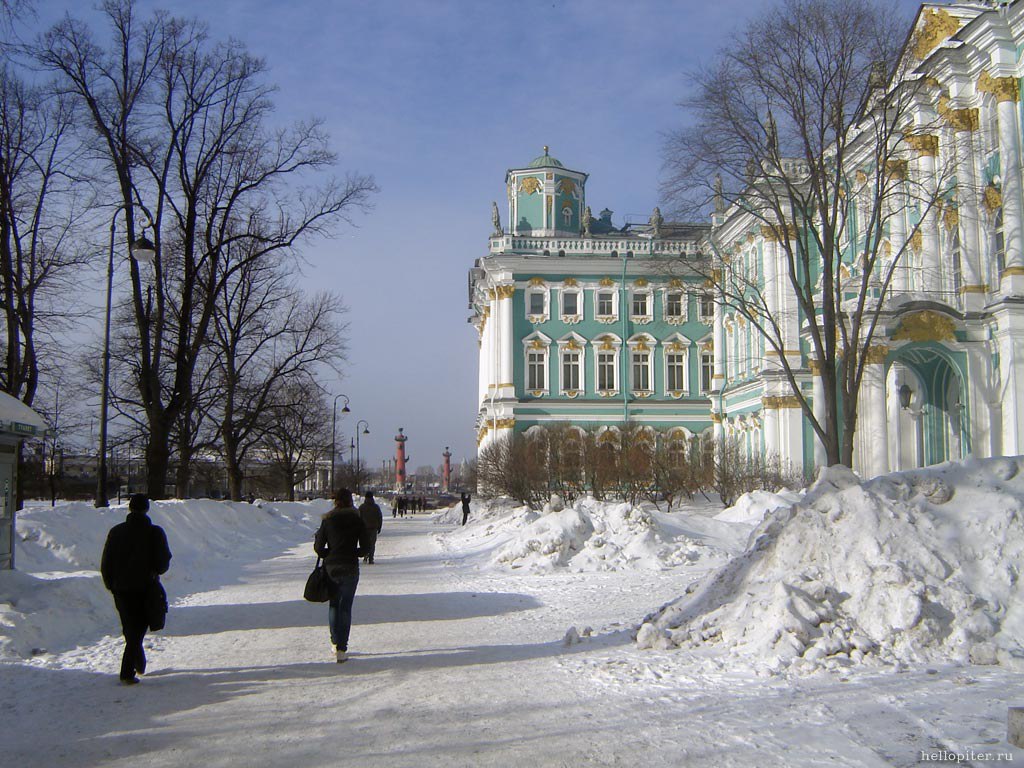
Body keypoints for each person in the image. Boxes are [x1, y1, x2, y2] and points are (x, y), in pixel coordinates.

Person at [100, 494, 172, 685]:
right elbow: (163, 564)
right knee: (138, 628)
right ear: (147, 509)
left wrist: (111, 584)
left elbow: (106, 561)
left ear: (130, 508)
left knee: (130, 628)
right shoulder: (155, 533)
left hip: (121, 588)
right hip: (145, 587)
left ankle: (137, 661)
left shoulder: (116, 532)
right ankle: (126, 671)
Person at [314, 488, 369, 663]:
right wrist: (356, 553)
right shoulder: (357, 519)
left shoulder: (328, 520)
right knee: (346, 607)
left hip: (332, 567)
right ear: (350, 501)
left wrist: (328, 554)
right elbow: (366, 546)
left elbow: (318, 547)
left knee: (334, 605)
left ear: (335, 501)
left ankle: (334, 641)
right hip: (350, 567)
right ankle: (342, 649)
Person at [358, 491, 383, 564]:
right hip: (373, 528)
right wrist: (379, 527)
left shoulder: (362, 507)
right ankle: (371, 558)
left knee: (364, 543)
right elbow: (379, 517)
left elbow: (358, 518)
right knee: (372, 544)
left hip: (364, 529)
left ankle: (365, 555)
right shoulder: (376, 507)